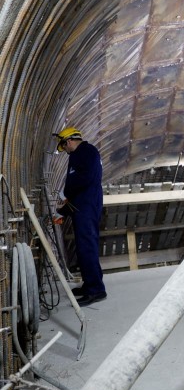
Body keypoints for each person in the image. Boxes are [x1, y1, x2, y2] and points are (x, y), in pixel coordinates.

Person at [53, 127, 106, 306]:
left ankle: (96, 290)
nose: (65, 150)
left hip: (86, 207)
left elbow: (81, 180)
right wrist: (63, 211)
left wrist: (65, 193)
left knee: (87, 247)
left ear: (68, 141)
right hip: (85, 205)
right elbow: (79, 187)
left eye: (64, 146)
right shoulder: (85, 153)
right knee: (85, 247)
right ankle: (90, 284)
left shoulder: (84, 153)